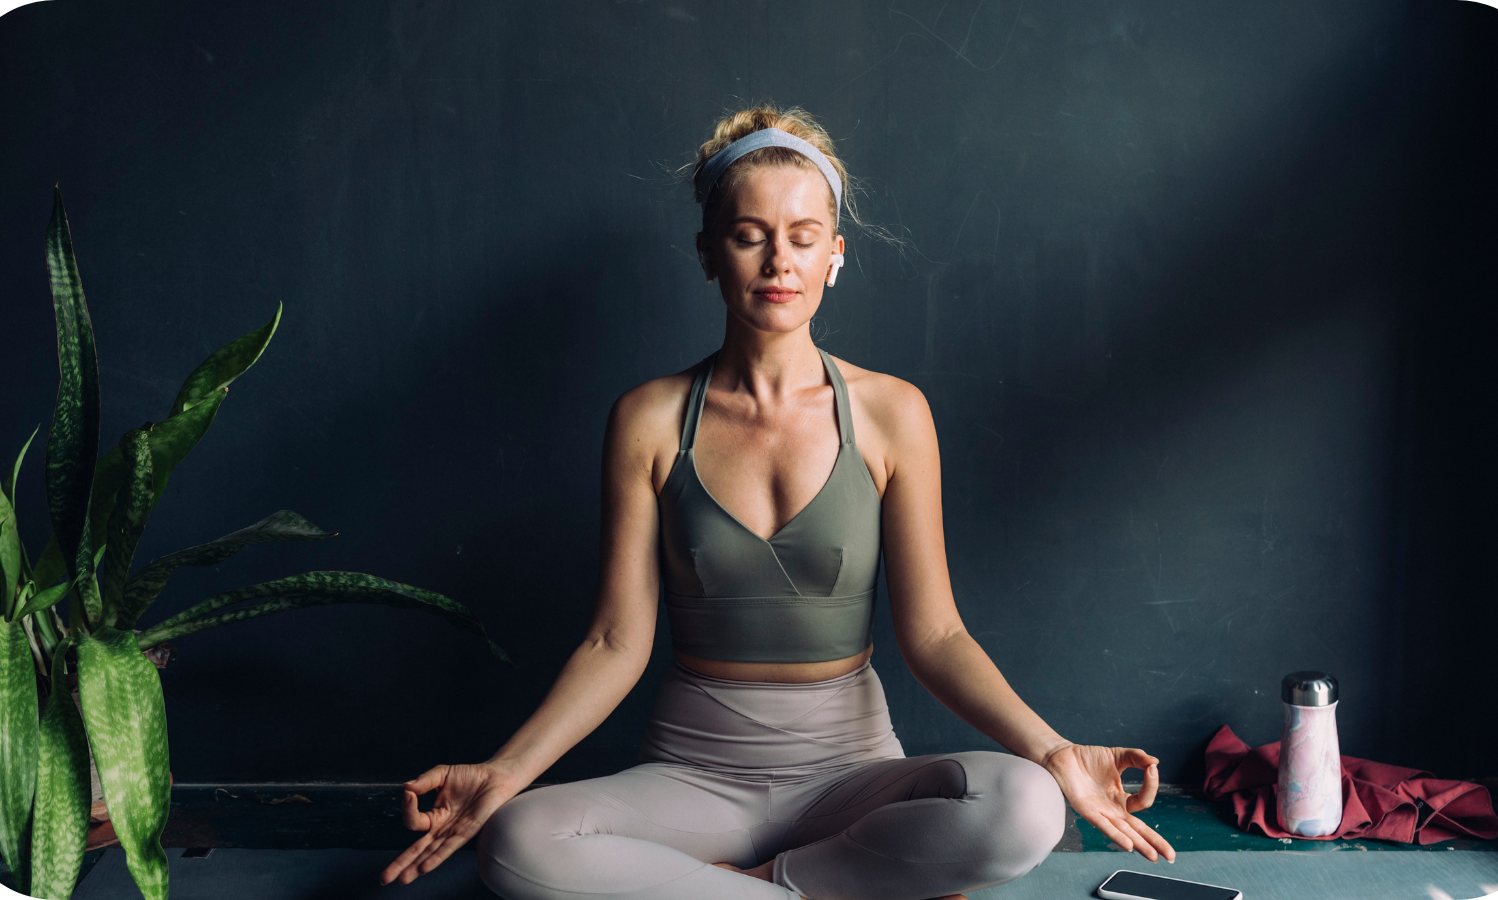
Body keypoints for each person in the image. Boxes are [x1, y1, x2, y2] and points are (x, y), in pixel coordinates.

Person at [379, 104, 1177, 900]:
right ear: (708, 253)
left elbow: (936, 635)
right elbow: (615, 641)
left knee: (1028, 806)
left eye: (802, 237)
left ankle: (745, 889)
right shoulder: (648, 419)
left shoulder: (892, 413)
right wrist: (504, 772)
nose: (777, 261)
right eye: (749, 234)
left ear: (834, 255)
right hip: (692, 777)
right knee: (518, 843)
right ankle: (836, 889)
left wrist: (1055, 751)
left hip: (853, 776)